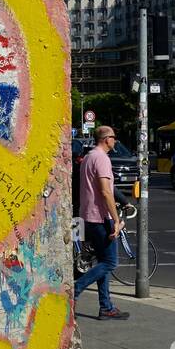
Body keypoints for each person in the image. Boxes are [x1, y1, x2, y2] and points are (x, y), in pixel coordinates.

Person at [74, 124, 128, 320]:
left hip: (86, 216)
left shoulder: (88, 158)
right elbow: (106, 191)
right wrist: (116, 219)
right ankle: (75, 290)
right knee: (111, 262)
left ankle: (106, 307)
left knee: (102, 261)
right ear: (107, 139)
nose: (115, 140)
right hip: (99, 217)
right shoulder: (102, 159)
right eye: (114, 137)